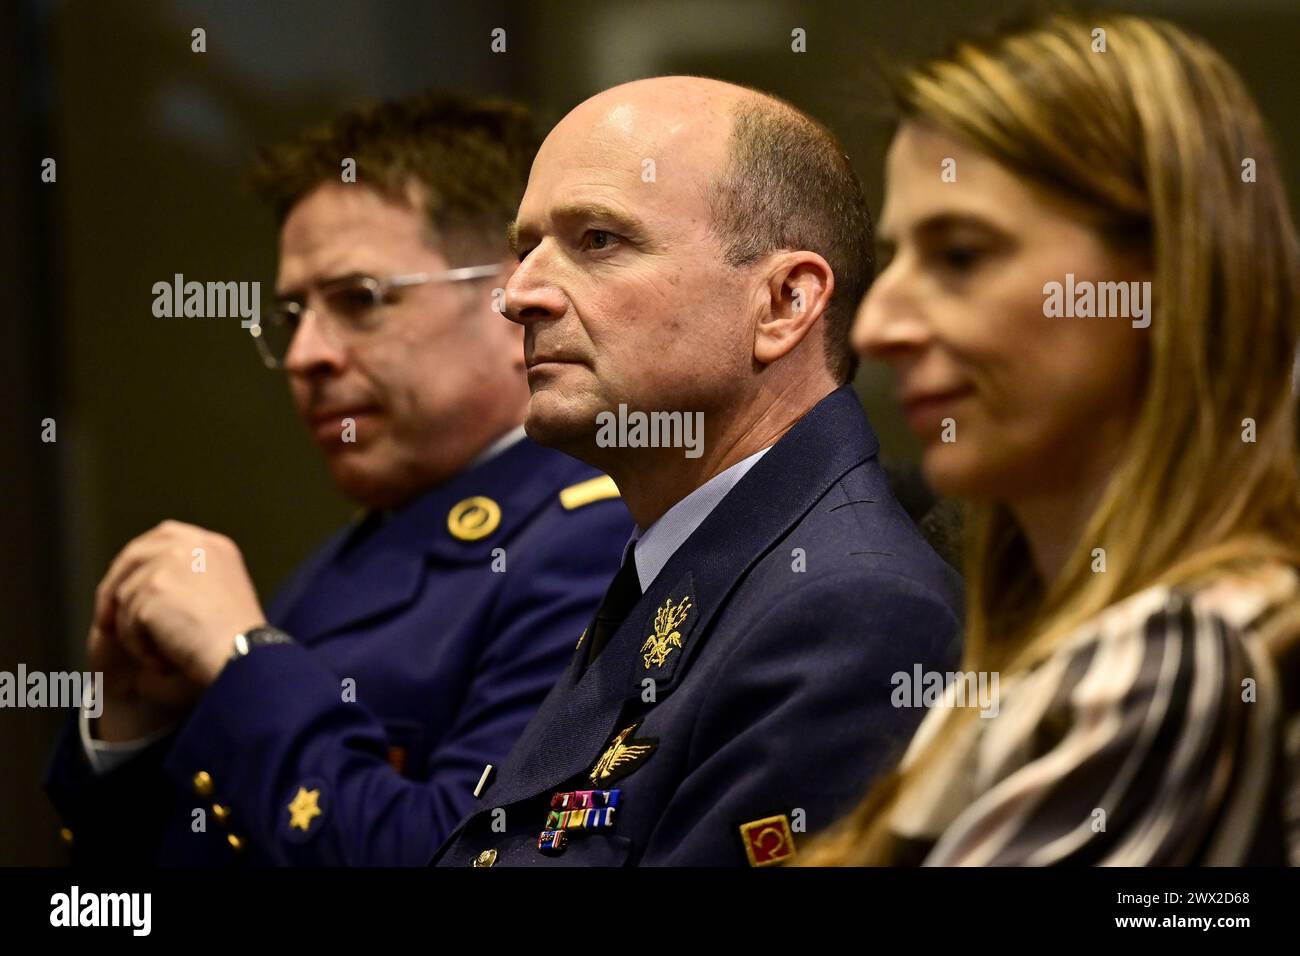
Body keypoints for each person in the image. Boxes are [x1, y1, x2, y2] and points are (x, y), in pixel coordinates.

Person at [44, 92, 633, 865]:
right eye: (294, 313)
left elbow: (453, 854)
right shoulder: (358, 550)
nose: (303, 356)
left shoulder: (593, 540)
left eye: (359, 300)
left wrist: (241, 658)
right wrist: (134, 727)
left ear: (512, 295)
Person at [801, 12, 1300, 866]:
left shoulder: (1177, 653)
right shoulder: (1052, 646)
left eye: (960, 255)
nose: (878, 324)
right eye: (895, 259)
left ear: (1163, 277)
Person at [430, 75, 964, 868]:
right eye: (525, 248)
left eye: (598, 241)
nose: (519, 294)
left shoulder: (852, 610)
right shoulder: (690, 561)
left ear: (784, 302)